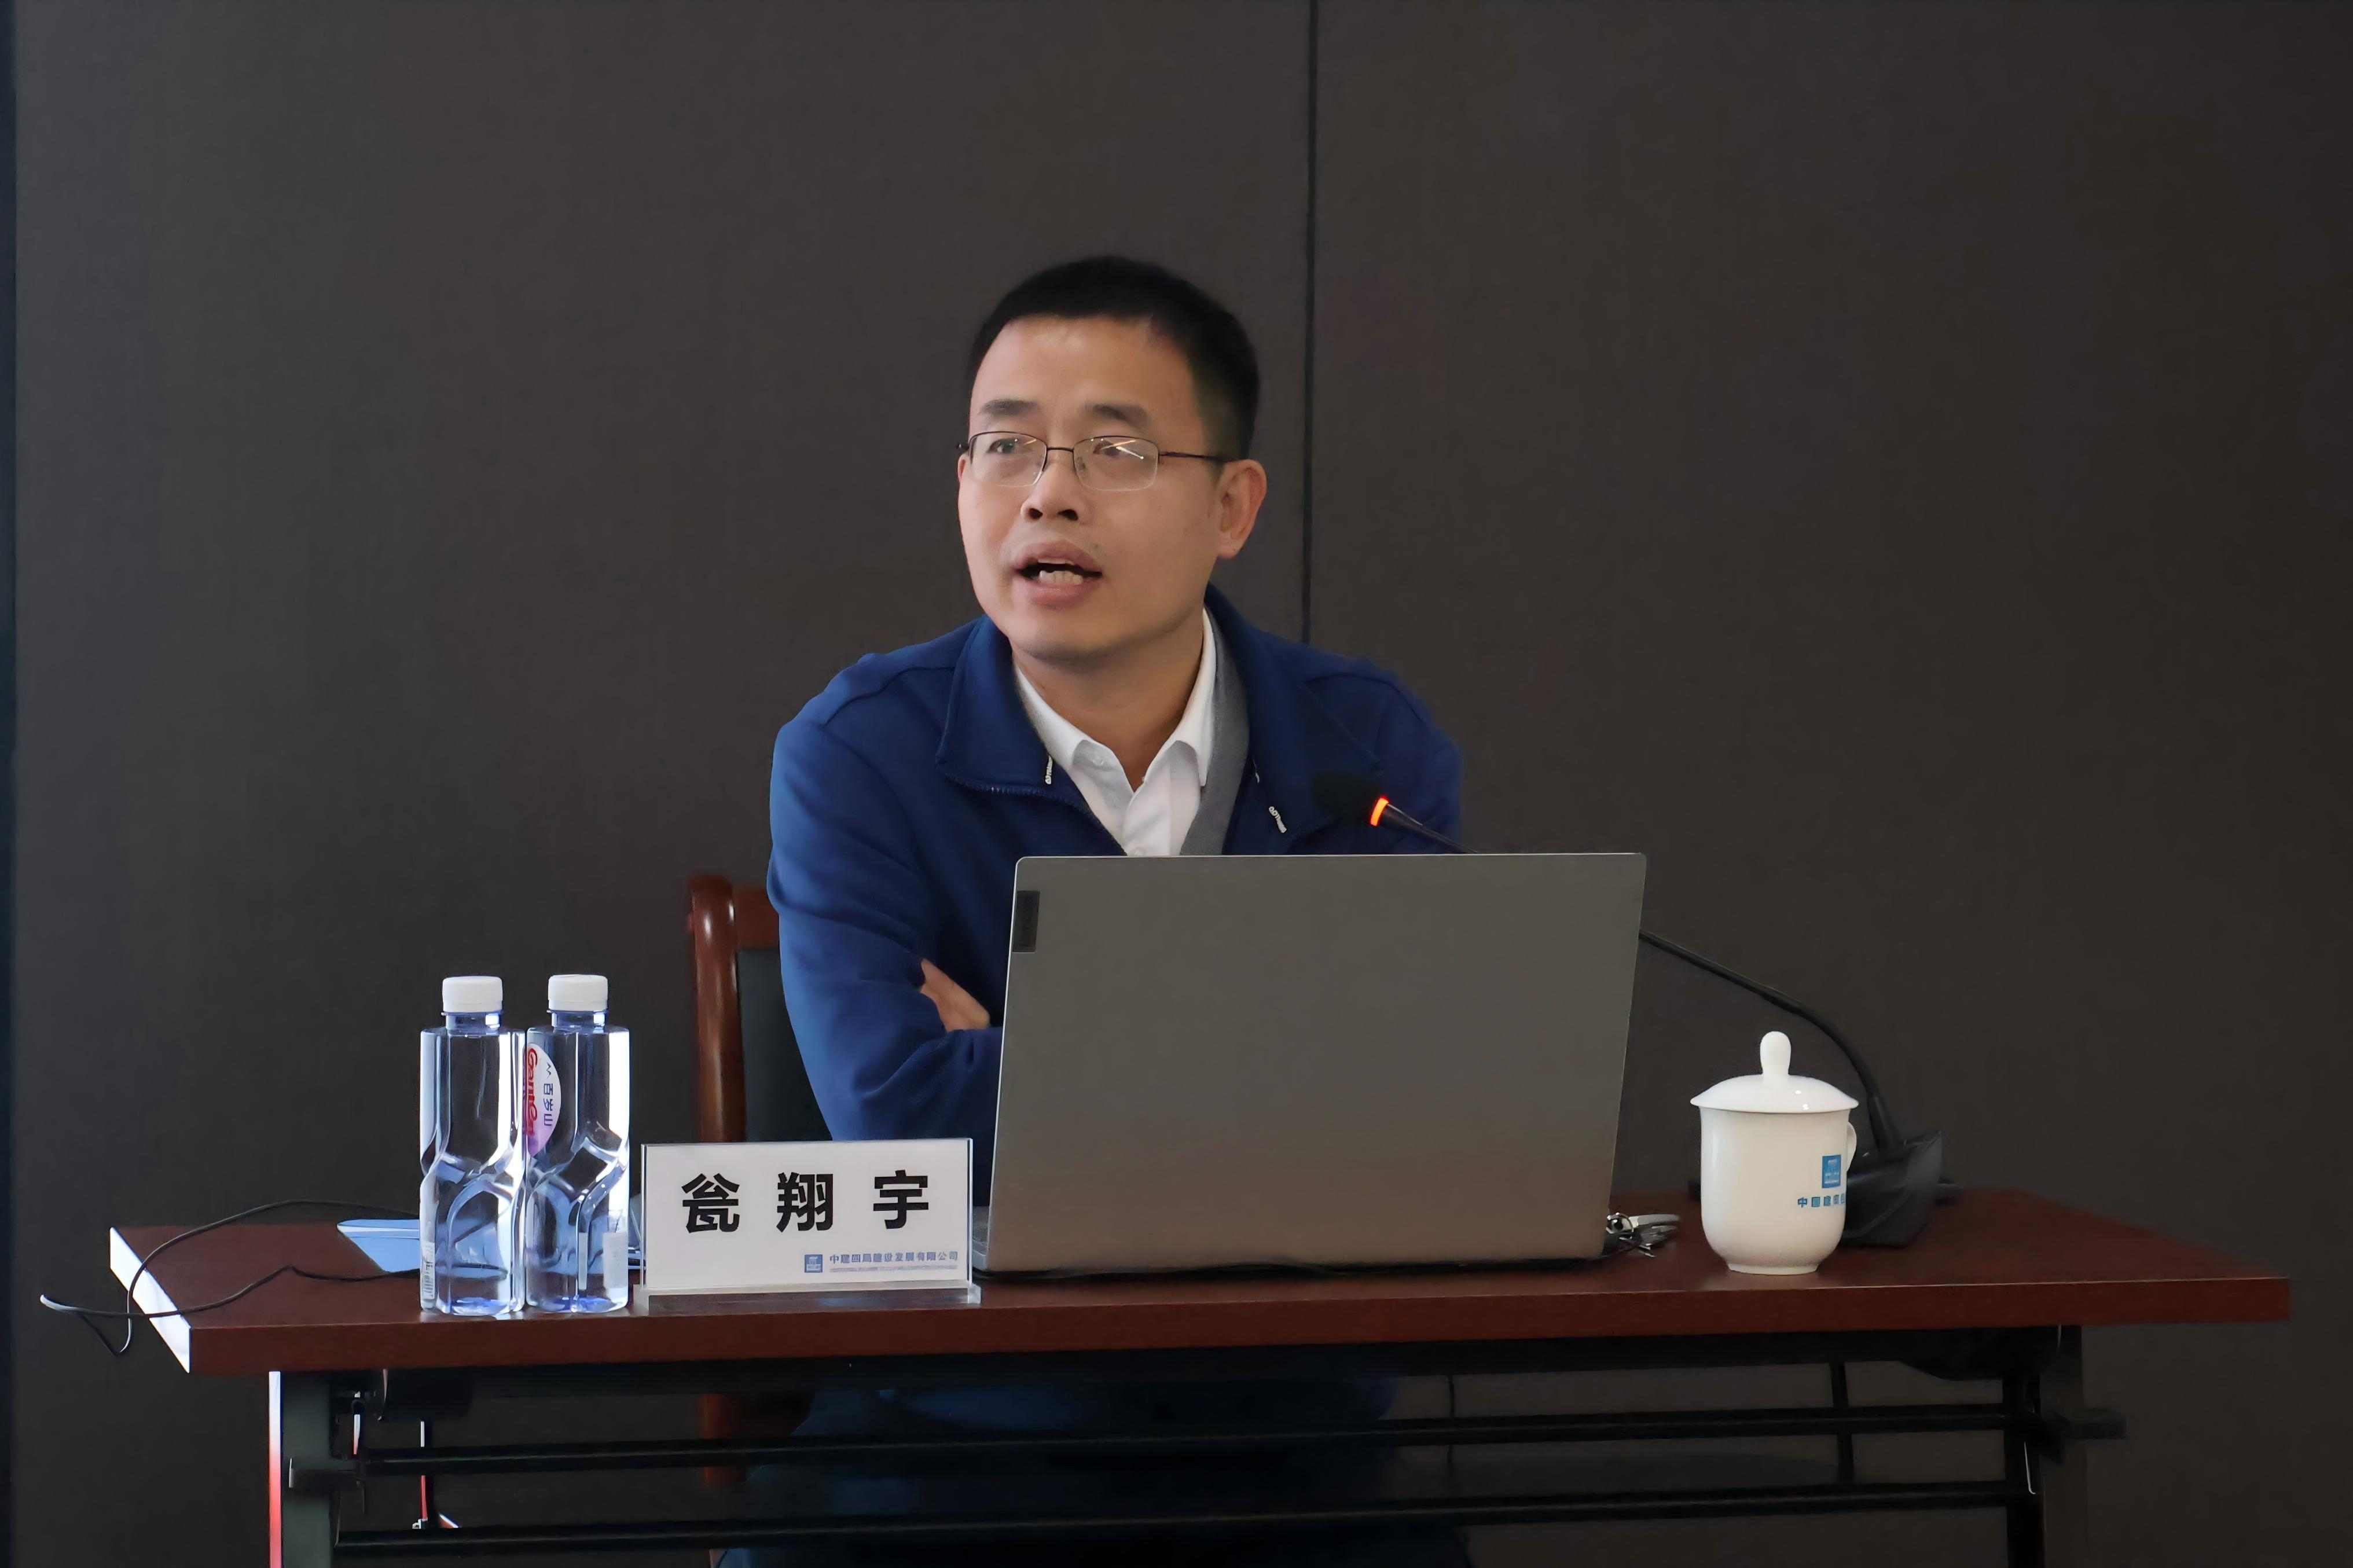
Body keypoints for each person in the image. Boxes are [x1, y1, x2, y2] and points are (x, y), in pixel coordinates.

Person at [738, 256, 1468, 1566]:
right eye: (1006, 445)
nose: (1046, 492)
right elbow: (897, 1117)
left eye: (1112, 449)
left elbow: (1405, 1118)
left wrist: (1007, 1054)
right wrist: (1270, 1079)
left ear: (1232, 505)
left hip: (1286, 1433)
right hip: (949, 1430)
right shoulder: (857, 752)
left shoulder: (1361, 745)